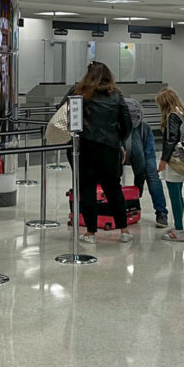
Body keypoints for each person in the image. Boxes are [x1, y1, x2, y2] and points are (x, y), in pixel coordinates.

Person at [69, 62, 132, 244]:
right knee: (114, 190)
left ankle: (90, 232)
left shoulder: (80, 93)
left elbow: (65, 113)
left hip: (86, 148)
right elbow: (127, 123)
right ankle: (124, 230)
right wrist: (117, 139)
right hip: (110, 149)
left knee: (87, 190)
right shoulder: (117, 95)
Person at [124, 97, 169, 227]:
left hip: (142, 145)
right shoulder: (135, 126)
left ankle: (161, 212)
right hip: (128, 148)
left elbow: (140, 165)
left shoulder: (143, 129)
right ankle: (161, 213)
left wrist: (138, 188)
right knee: (152, 176)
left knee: (151, 175)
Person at [156, 88, 184, 242]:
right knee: (178, 193)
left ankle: (179, 230)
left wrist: (163, 160)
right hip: (183, 158)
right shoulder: (182, 113)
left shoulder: (171, 116)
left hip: (174, 160)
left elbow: (171, 139)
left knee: (174, 195)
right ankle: (178, 226)